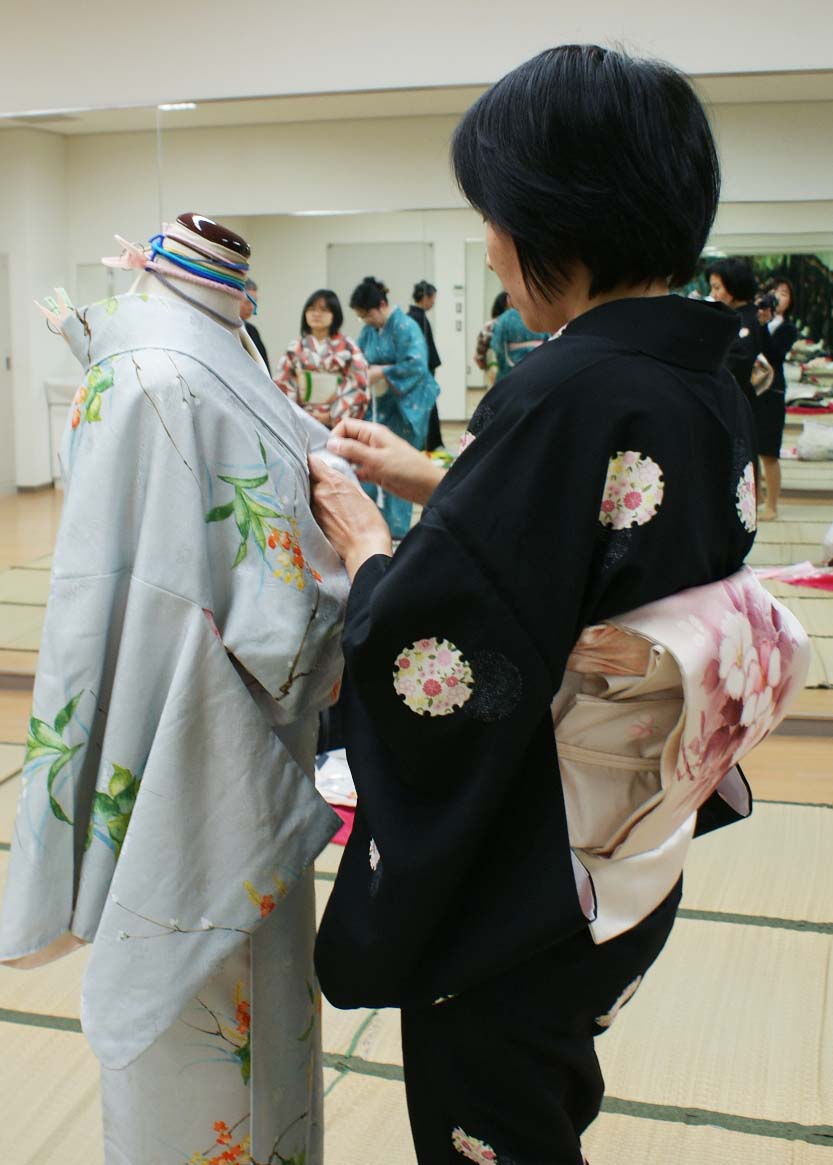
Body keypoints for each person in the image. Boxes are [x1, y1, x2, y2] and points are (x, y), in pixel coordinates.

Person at [307, 46, 808, 1165]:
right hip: (629, 851)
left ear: (554, 216)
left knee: (495, 1126)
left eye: (493, 213)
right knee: (542, 1097)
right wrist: (434, 480)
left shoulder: (564, 387)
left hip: (529, 881)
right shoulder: (700, 370)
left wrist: (368, 545)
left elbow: (440, 645)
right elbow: (595, 540)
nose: (489, 242)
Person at [0, 213, 349, 1165]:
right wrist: (342, 598)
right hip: (189, 722)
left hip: (255, 729)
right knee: (196, 1028)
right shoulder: (153, 372)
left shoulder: (211, 350)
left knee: (263, 999)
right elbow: (123, 588)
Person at [350, 275, 439, 539]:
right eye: (361, 317)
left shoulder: (406, 326)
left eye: (367, 315)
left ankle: (397, 532)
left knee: (397, 467)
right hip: (379, 405)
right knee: (370, 462)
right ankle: (373, 527)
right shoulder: (369, 331)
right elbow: (357, 359)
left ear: (380, 306)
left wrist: (382, 372)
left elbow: (416, 365)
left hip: (405, 405)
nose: (366, 321)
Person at [274, 288, 370, 429]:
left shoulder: (348, 347)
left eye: (324, 310)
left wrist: (332, 415)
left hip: (337, 421)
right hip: (301, 420)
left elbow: (359, 383)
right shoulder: (295, 348)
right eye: (311, 309)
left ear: (334, 314)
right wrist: (299, 415)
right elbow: (283, 382)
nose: (316, 314)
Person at [756, 277, 799, 520]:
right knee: (751, 448)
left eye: (784, 293)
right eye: (774, 291)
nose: (777, 296)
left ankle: (772, 505)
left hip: (773, 392)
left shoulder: (788, 329)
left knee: (769, 451)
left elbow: (774, 354)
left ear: (791, 301)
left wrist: (763, 325)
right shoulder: (755, 319)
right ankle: (757, 497)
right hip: (752, 390)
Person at [408, 280, 444, 451]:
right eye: (433, 298)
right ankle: (431, 445)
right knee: (427, 408)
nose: (433, 302)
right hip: (421, 373)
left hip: (419, 371)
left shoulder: (413, 317)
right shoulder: (417, 319)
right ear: (425, 297)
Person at [488, 296, 550, 379]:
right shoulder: (541, 315)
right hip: (539, 367)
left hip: (509, 371)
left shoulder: (504, 319)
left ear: (509, 300)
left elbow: (497, 346)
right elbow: (550, 339)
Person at [473, 289, 509, 387]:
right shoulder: (523, 325)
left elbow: (479, 355)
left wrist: (486, 367)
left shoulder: (490, 326)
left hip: (495, 371)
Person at [241, 276, 271, 373]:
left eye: (255, 303)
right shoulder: (225, 328)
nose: (252, 307)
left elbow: (264, 367)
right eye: (248, 302)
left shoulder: (252, 331)